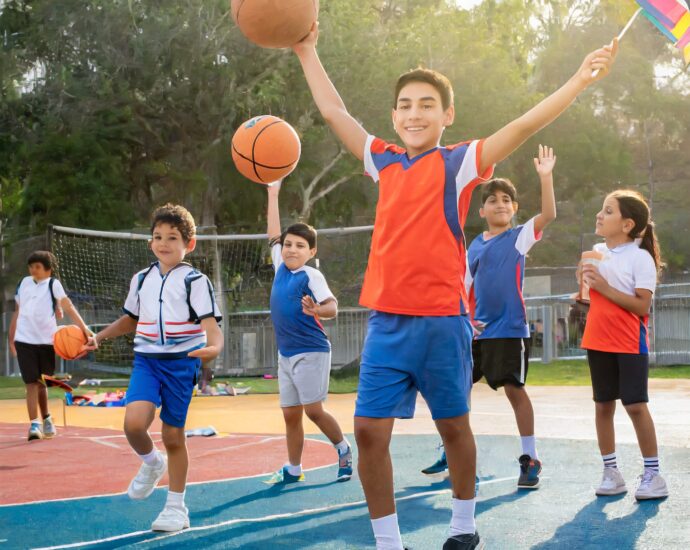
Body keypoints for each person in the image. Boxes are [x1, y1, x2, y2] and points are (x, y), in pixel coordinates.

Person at [292, 22, 617, 550]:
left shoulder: (459, 162)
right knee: (370, 432)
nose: (414, 113)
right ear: (394, 115)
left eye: (426, 104)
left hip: (443, 323)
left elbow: (524, 124)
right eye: (404, 105)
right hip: (387, 324)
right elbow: (334, 113)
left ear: (447, 116)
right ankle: (387, 541)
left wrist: (578, 79)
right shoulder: (383, 160)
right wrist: (307, 49)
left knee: (453, 430)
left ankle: (463, 526)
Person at [422, 146, 557, 489]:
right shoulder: (475, 247)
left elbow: (549, 214)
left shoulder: (518, 237)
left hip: (509, 330)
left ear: (514, 209)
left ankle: (530, 458)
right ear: (481, 210)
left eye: (506, 200)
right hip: (476, 331)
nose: (500, 204)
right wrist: (462, 322)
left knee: (514, 389)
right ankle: (451, 449)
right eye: (493, 200)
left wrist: (546, 177)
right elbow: (462, 288)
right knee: (456, 389)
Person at [86, 204, 223, 532]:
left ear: (188, 244)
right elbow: (131, 320)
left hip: (181, 365)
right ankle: (151, 463)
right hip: (147, 361)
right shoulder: (142, 279)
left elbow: (212, 327)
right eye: (158, 236)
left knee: (172, 435)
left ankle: (176, 507)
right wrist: (100, 336)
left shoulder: (196, 281)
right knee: (134, 424)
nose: (163, 243)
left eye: (172, 237)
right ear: (151, 242)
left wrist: (214, 348)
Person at [580, 190, 668, 501]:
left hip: (629, 342)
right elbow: (591, 298)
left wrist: (603, 287)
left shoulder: (640, 258)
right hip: (597, 339)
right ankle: (611, 472)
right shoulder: (596, 251)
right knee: (603, 406)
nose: (599, 216)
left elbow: (642, 306)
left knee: (634, 406)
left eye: (608, 211)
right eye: (601, 210)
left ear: (628, 224)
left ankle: (653, 475)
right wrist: (583, 292)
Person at [263, 180, 353, 484]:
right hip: (286, 353)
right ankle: (294, 467)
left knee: (313, 411)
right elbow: (273, 232)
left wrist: (317, 310)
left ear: (311, 250)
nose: (291, 249)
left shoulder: (311, 274)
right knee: (290, 414)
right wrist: (272, 193)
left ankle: (343, 448)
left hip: (312, 350)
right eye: (288, 244)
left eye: (300, 245)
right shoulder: (280, 267)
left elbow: (333, 307)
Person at [9, 251, 92, 441]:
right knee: (30, 383)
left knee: (41, 383)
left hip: (46, 342)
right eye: (31, 267)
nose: (33, 270)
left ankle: (46, 418)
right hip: (24, 341)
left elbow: (68, 305)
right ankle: (34, 425)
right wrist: (11, 338)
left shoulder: (54, 284)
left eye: (37, 267)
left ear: (48, 269)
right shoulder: (23, 283)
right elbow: (17, 311)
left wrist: (84, 328)